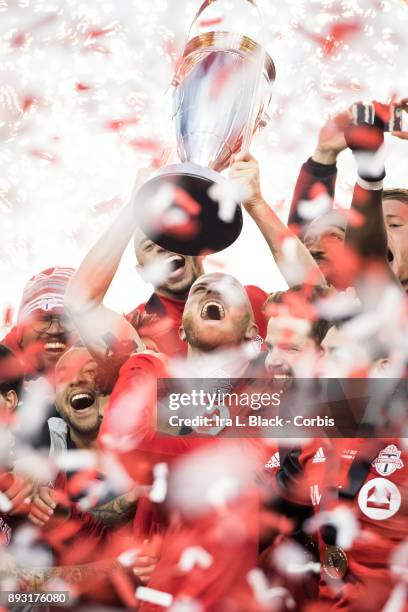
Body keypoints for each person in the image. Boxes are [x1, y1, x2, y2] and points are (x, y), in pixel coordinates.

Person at [65, 154, 325, 362]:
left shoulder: (251, 301)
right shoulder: (141, 334)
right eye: (150, 245)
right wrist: (136, 206)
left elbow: (317, 298)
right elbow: (81, 303)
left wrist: (256, 203)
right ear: (142, 271)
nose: (163, 247)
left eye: (169, 236)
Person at [1, 267, 77, 380]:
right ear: (21, 333)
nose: (54, 329)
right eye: (43, 319)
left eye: (66, 319)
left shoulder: (108, 376)